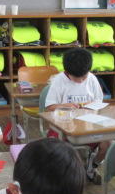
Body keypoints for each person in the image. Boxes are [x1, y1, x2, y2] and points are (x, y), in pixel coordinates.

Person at [45, 47, 108, 180]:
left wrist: (91, 105)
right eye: (76, 78)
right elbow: (49, 107)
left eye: (84, 77)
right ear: (67, 72)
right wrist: (64, 106)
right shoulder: (59, 81)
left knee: (108, 143)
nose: (81, 81)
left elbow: (98, 100)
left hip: (88, 124)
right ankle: (66, 172)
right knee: (57, 149)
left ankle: (93, 165)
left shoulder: (91, 78)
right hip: (63, 126)